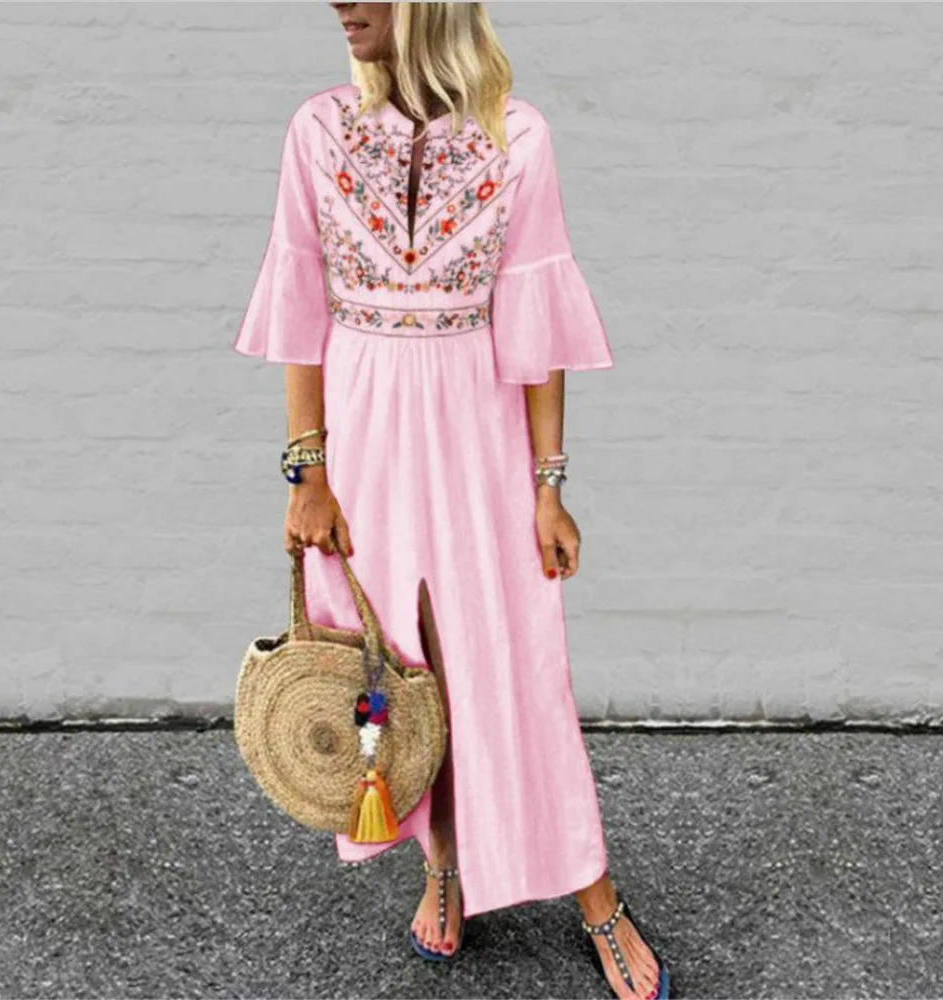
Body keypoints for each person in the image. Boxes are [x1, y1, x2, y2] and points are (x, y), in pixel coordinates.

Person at [232, 3, 670, 998]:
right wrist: (308, 470)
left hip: (479, 431)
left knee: (512, 663)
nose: (341, 4)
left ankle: (596, 897)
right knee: (392, 664)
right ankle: (442, 863)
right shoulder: (318, 130)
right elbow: (302, 307)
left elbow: (536, 324)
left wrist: (549, 488)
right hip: (364, 433)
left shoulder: (519, 137)